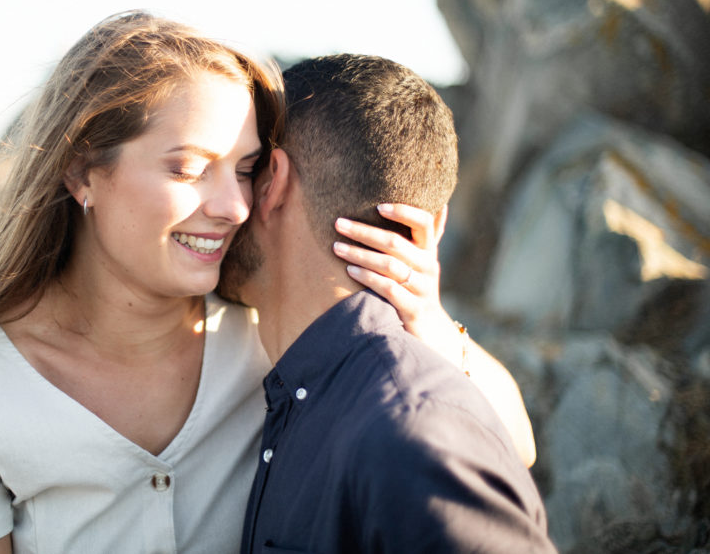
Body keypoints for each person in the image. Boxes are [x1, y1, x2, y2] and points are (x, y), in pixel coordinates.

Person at [0, 12, 535, 553]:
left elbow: (509, 441)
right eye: (190, 168)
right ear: (81, 173)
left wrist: (424, 320)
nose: (233, 206)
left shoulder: (272, 335)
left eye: (247, 170)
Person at [217, 53, 555, 553]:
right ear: (436, 223)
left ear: (273, 183)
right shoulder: (323, 389)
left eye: (244, 170)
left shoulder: (410, 430)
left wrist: (433, 328)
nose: (222, 204)